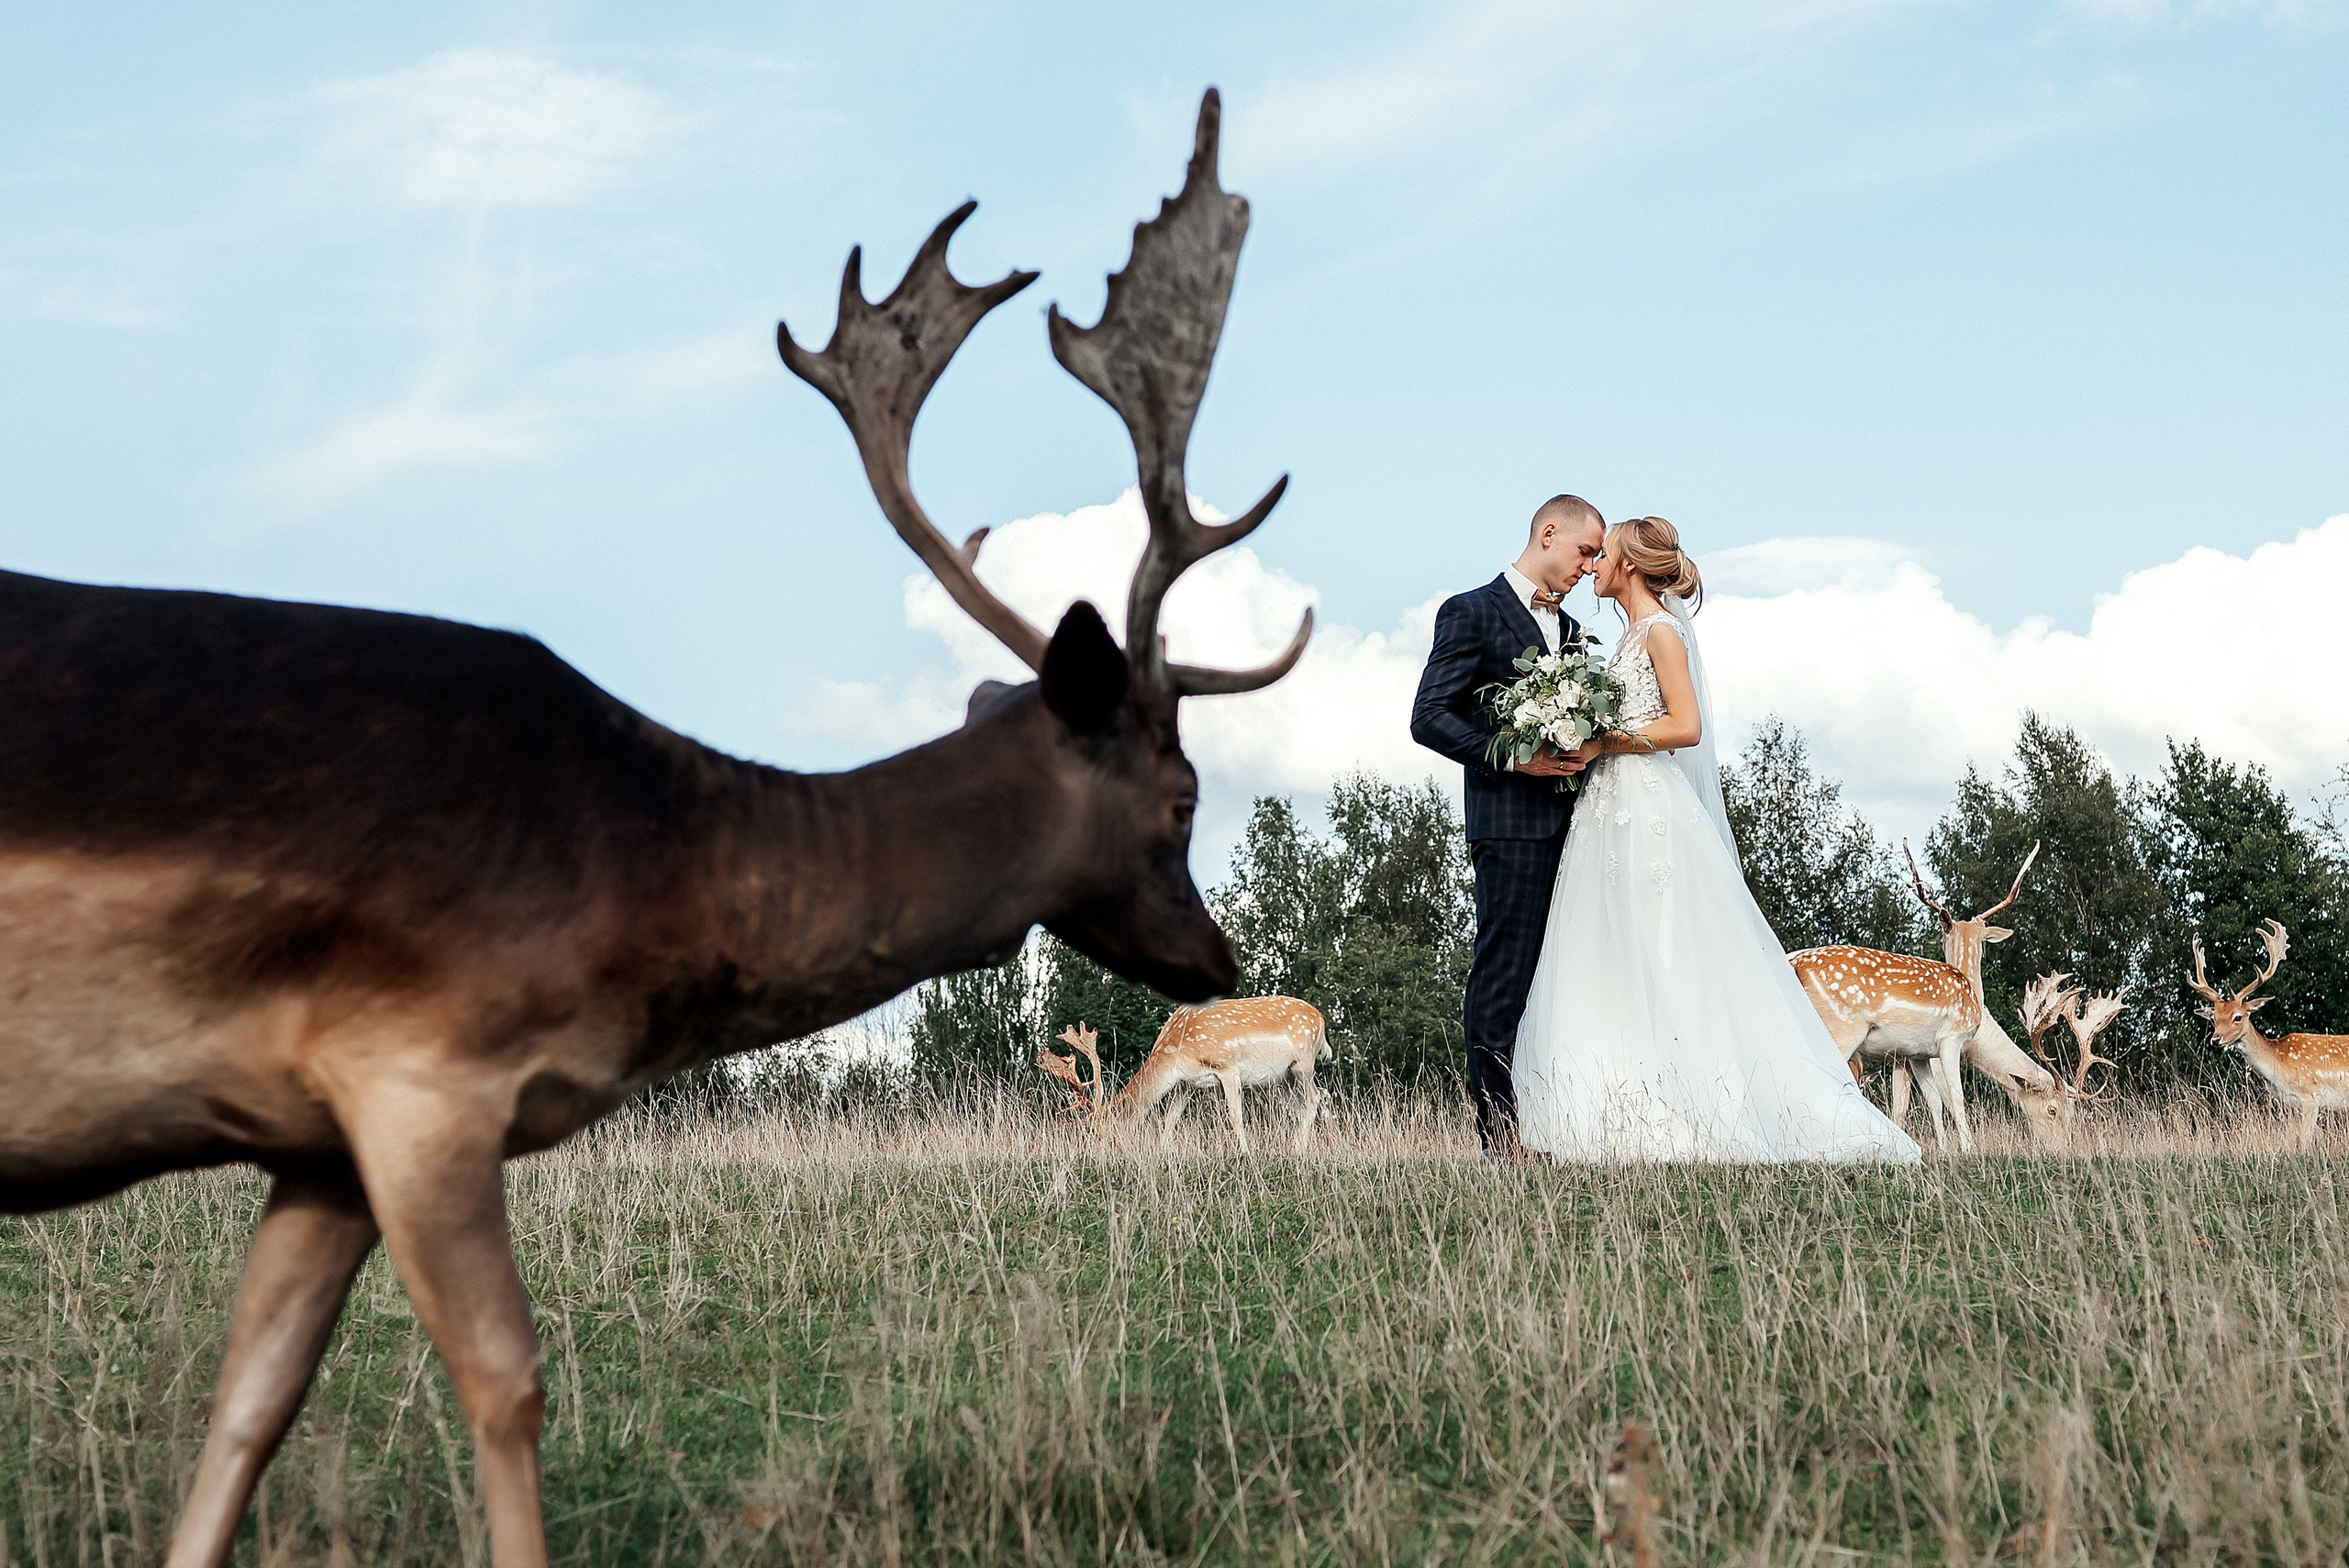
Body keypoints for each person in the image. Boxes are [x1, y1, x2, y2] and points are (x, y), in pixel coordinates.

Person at [1511, 517, 1920, 1162]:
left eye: (1603, 554)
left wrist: (1603, 741)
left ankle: (1701, 1106)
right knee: (1612, 950)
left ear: (1629, 564)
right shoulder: (1627, 638)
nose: (1593, 566)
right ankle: (1615, 1106)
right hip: (1607, 807)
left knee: (1662, 945)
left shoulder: (1661, 631)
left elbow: (1686, 726)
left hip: (1647, 805)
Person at [1409, 495, 1606, 1157]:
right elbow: (1429, 716)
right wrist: (1515, 756)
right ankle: (1500, 1135)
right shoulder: (1470, 611)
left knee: (1566, 978)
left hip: (1580, 831)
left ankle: (1568, 1121)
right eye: (1585, 551)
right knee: (1504, 978)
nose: (1590, 566)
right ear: (1549, 533)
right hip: (1510, 828)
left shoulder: (1573, 632)